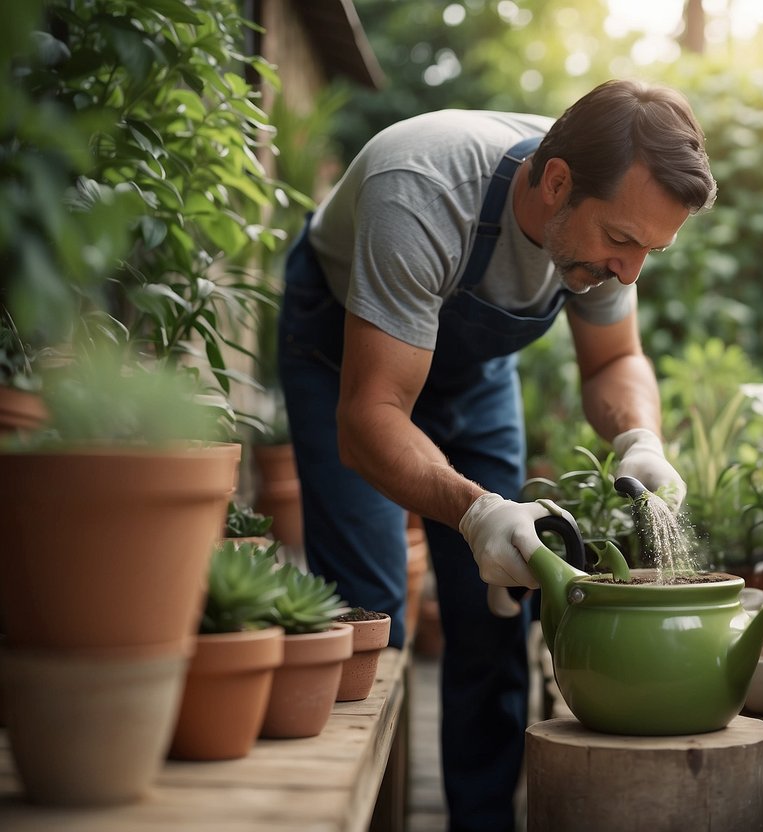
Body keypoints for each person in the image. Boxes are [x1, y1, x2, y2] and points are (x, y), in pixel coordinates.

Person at [276, 79, 717, 831]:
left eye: (650, 251)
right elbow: (372, 415)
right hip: (346, 357)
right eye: (620, 242)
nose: (630, 272)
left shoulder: (609, 208)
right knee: (372, 616)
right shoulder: (420, 188)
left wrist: (639, 438)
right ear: (554, 184)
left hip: (474, 372)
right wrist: (474, 509)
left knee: (496, 606)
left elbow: (613, 362)